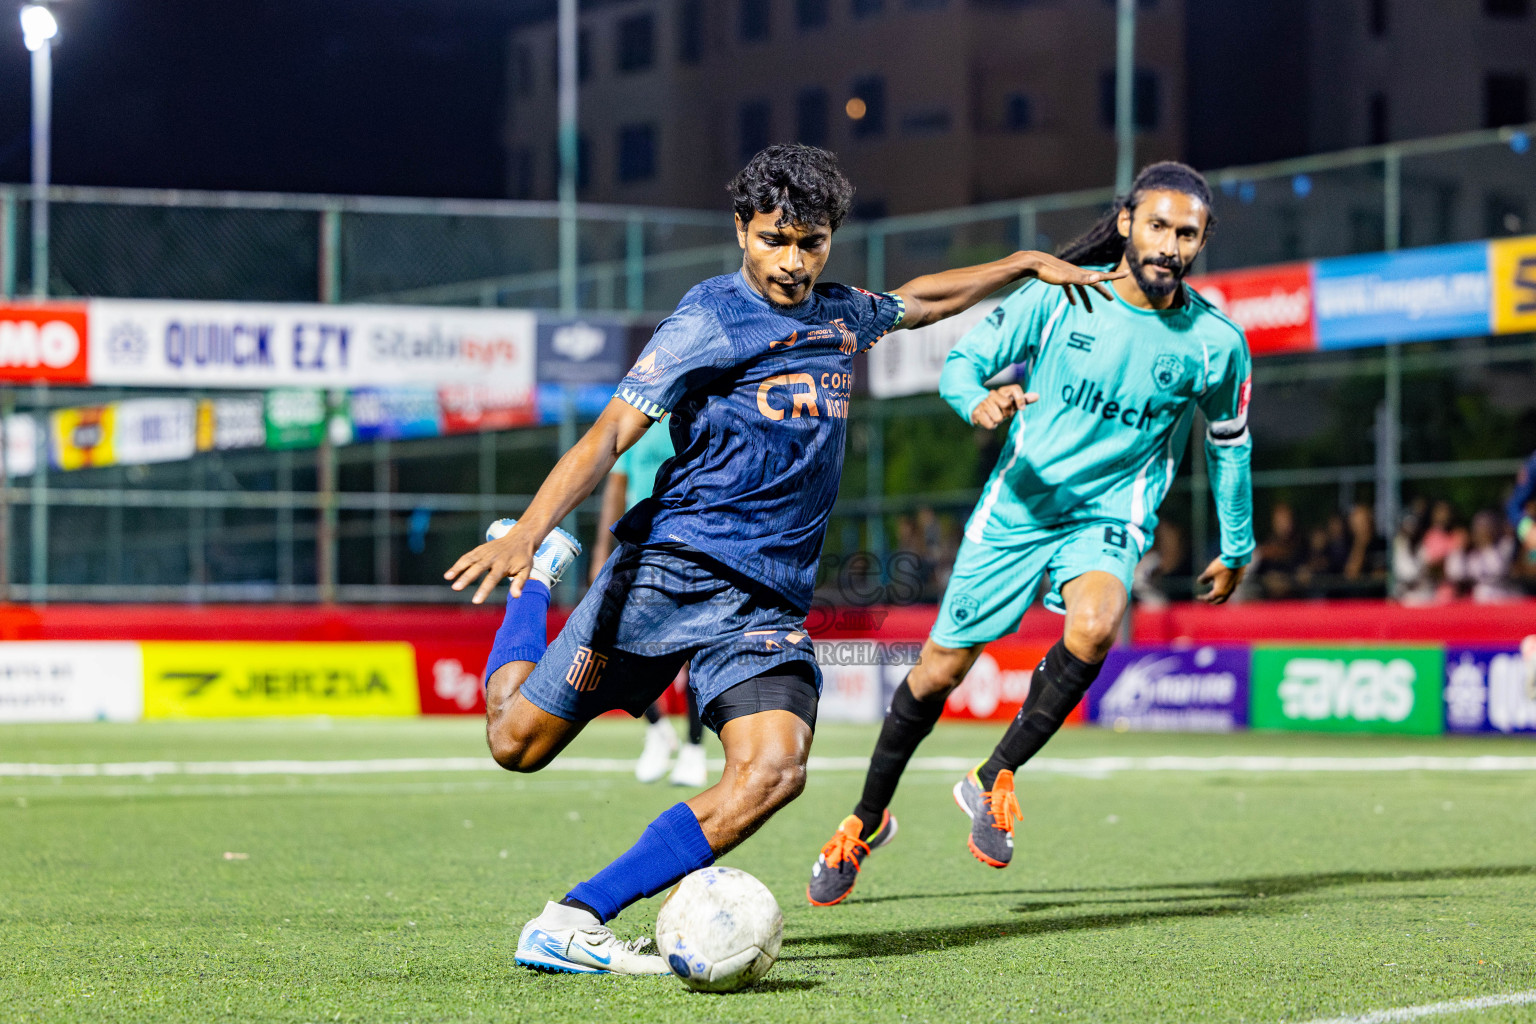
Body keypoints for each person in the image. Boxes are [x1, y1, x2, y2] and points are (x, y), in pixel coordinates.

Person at [442, 144, 1122, 975]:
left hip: (764, 608)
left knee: (774, 772)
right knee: (516, 742)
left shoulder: (840, 314)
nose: (793, 262)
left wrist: (1021, 264)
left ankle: (573, 917)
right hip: (668, 574)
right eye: (774, 240)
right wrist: (526, 533)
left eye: (811, 242)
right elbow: (610, 435)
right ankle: (537, 577)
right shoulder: (709, 317)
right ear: (742, 229)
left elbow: (923, 301)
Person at [806, 161, 1254, 907]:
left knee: (1099, 621)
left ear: (1202, 240)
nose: (1171, 244)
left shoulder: (1216, 342)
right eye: (1159, 226)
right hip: (1018, 509)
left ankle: (993, 777)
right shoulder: (1059, 299)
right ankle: (864, 817)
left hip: (1108, 519)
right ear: (1125, 223)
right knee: (937, 675)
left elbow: (1230, 444)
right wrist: (975, 403)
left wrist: (1235, 544)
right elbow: (962, 363)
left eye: (1188, 232)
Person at [588, 418, 708, 788]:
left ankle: (694, 748)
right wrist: (600, 551)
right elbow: (617, 485)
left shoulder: (701, 410)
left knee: (693, 647)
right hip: (637, 545)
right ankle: (658, 729)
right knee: (613, 639)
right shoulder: (637, 414)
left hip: (688, 543)